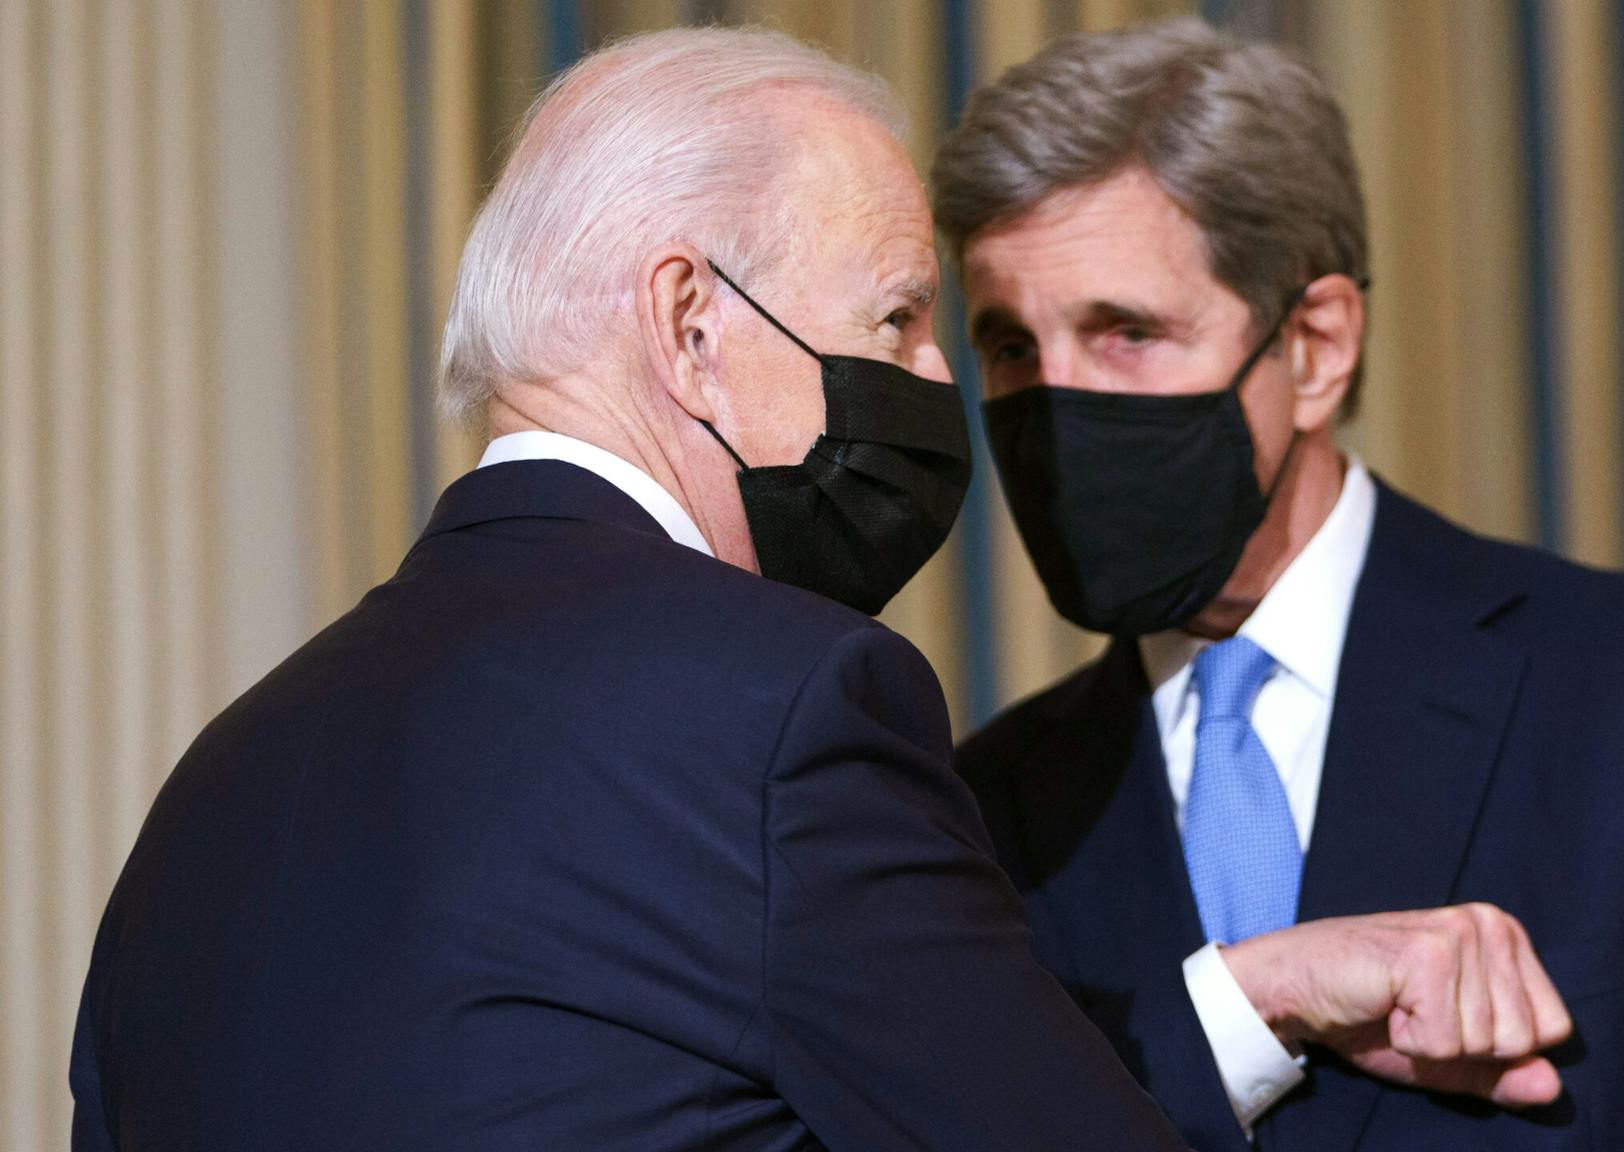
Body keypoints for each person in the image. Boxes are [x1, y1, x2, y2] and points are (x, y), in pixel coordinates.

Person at [68, 27, 1194, 1151]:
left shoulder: (211, 789)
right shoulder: (782, 715)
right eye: (896, 320)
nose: (936, 379)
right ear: (688, 323)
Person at [937, 19, 1624, 1152]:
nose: (1055, 402)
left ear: (1317, 344)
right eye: (1009, 348)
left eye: (1124, 331)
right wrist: (1245, 1006)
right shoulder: (974, 814)